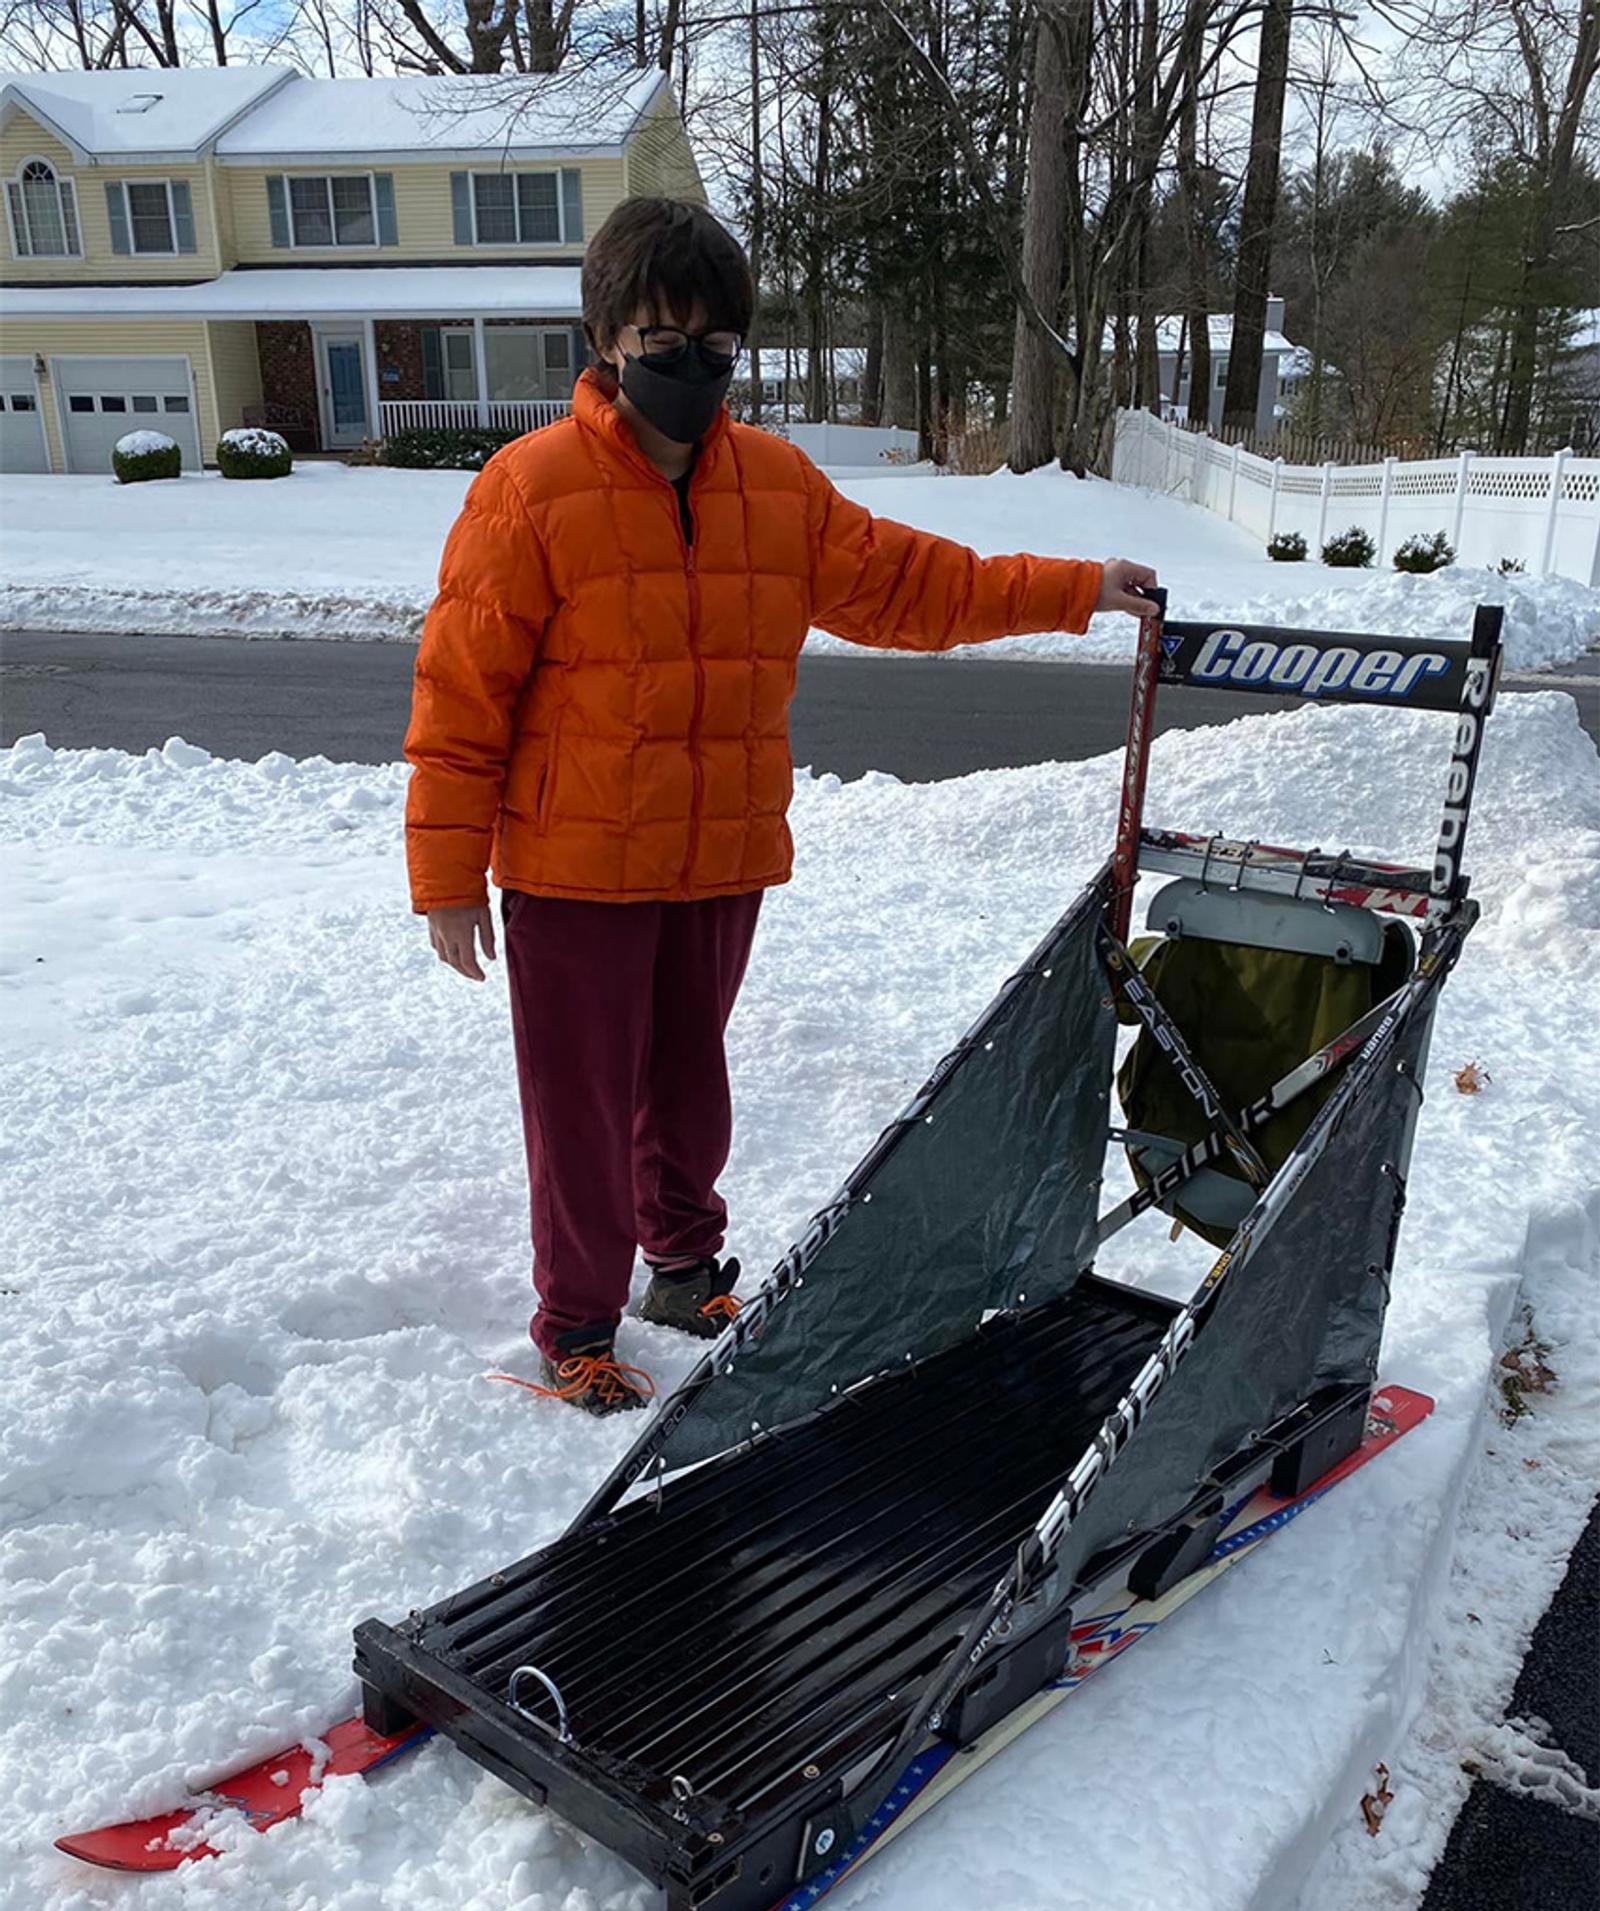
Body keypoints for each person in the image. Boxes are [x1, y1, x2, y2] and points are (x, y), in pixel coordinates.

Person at [404, 196, 1158, 1415]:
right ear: (605, 339)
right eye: (663, 344)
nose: (690, 371)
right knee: (582, 1109)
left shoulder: (774, 486)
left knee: (690, 1086)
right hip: (573, 869)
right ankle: (577, 1326)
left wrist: (1075, 588)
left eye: (713, 349)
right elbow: (460, 693)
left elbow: (918, 586)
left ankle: (683, 1270)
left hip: (716, 855)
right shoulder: (527, 491)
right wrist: (444, 877)